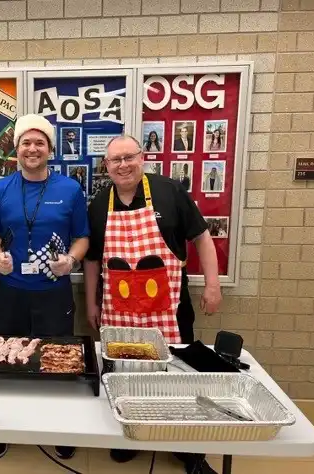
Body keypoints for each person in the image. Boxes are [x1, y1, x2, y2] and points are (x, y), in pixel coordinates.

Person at [83, 135, 222, 474]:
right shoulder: (100, 204)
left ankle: (188, 450)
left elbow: (202, 237)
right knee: (126, 377)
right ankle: (131, 436)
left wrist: (213, 285)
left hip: (169, 310)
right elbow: (91, 260)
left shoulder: (169, 191)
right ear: (106, 166)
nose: (123, 165)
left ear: (141, 157)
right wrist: (91, 302)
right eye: (115, 160)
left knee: (179, 377)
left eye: (129, 157)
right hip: (120, 313)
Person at [0, 114, 89, 462]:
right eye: (26, 142)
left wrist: (70, 262)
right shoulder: (0, 189)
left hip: (53, 292)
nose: (32, 148)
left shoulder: (70, 189)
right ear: (16, 150)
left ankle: (58, 428)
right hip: (10, 290)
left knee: (58, 359)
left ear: (50, 149)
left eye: (39, 142)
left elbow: (83, 238)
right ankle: (1, 430)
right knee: (3, 358)